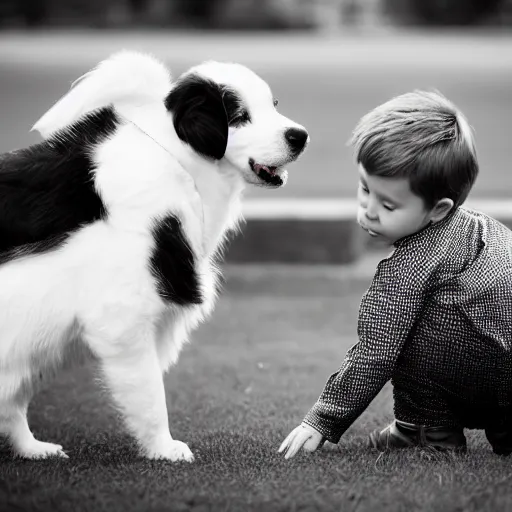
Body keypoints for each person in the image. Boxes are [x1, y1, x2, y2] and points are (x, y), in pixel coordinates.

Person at [279, 90, 512, 458]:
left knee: (404, 334)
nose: (369, 211)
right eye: (365, 189)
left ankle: (425, 429)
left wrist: (322, 419)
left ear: (438, 209)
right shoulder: (490, 230)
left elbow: (375, 352)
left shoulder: (409, 266)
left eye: (388, 204)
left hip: (469, 375)